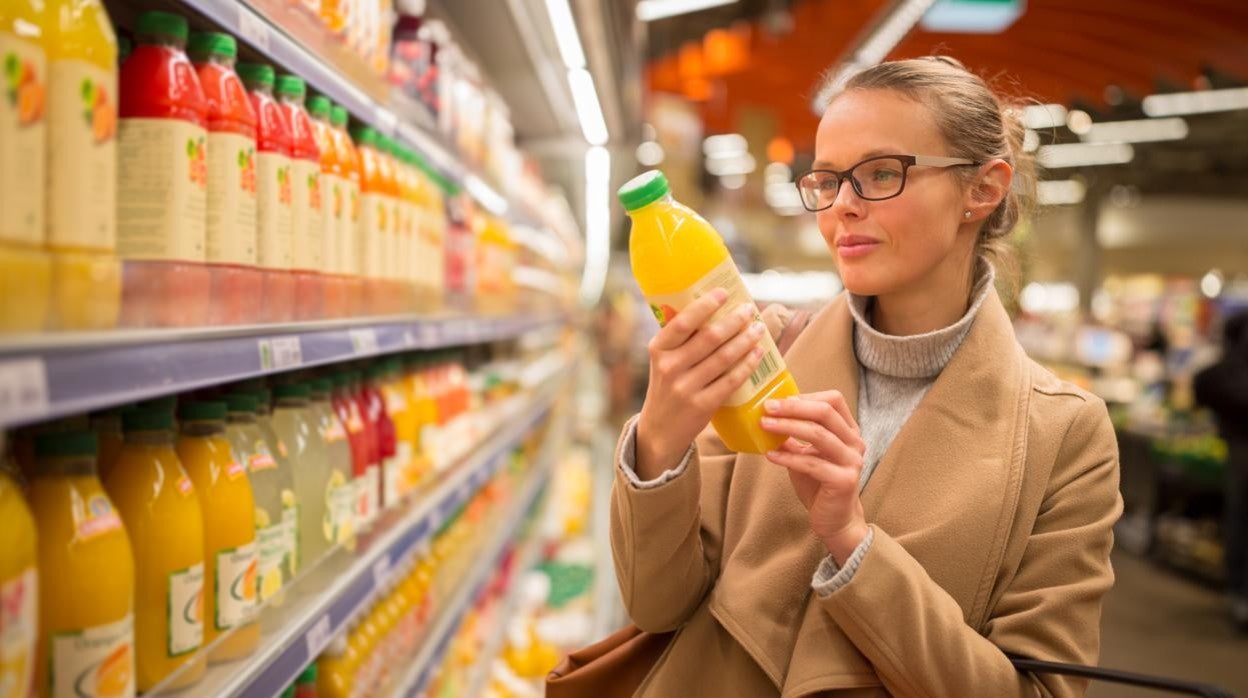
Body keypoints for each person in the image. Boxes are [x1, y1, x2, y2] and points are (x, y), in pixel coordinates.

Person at [610, 56, 1122, 696]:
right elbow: (655, 606)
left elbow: (1039, 690)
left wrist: (851, 540)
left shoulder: (1064, 435)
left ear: (983, 189)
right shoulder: (765, 352)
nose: (842, 208)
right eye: (827, 180)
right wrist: (658, 441)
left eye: (881, 174)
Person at [1194, 311, 1248, 631]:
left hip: (1236, 441)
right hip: (1241, 442)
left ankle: (1238, 591)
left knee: (1240, 517)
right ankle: (1240, 592)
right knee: (1241, 518)